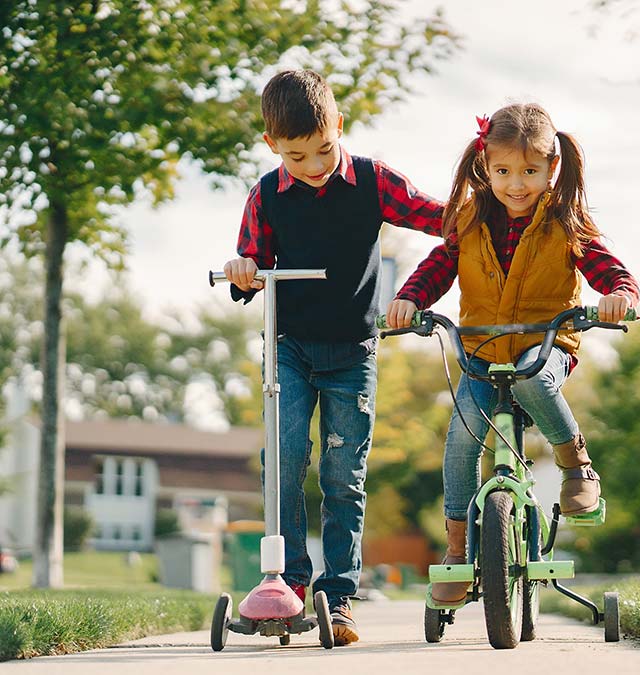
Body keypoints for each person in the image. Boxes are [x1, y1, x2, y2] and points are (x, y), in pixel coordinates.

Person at [223, 68, 443, 644]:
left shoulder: (372, 180)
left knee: (344, 475)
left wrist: (490, 213)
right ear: (272, 145)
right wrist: (243, 269)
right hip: (290, 349)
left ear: (339, 126)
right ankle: (289, 583)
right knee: (284, 461)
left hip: (352, 351)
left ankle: (338, 595)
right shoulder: (266, 195)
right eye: (297, 156)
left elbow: (438, 217)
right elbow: (251, 264)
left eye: (323, 149)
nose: (315, 165)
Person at [387, 103, 640, 604]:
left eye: (529, 171)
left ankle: (576, 466)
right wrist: (410, 299)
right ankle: (457, 551)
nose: (516, 184)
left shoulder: (566, 221)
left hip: (546, 347)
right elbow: (438, 267)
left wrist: (620, 295)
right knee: (461, 440)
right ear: (485, 166)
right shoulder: (468, 220)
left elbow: (609, 269)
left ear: (551, 168)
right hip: (481, 352)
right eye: (503, 171)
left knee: (531, 377)